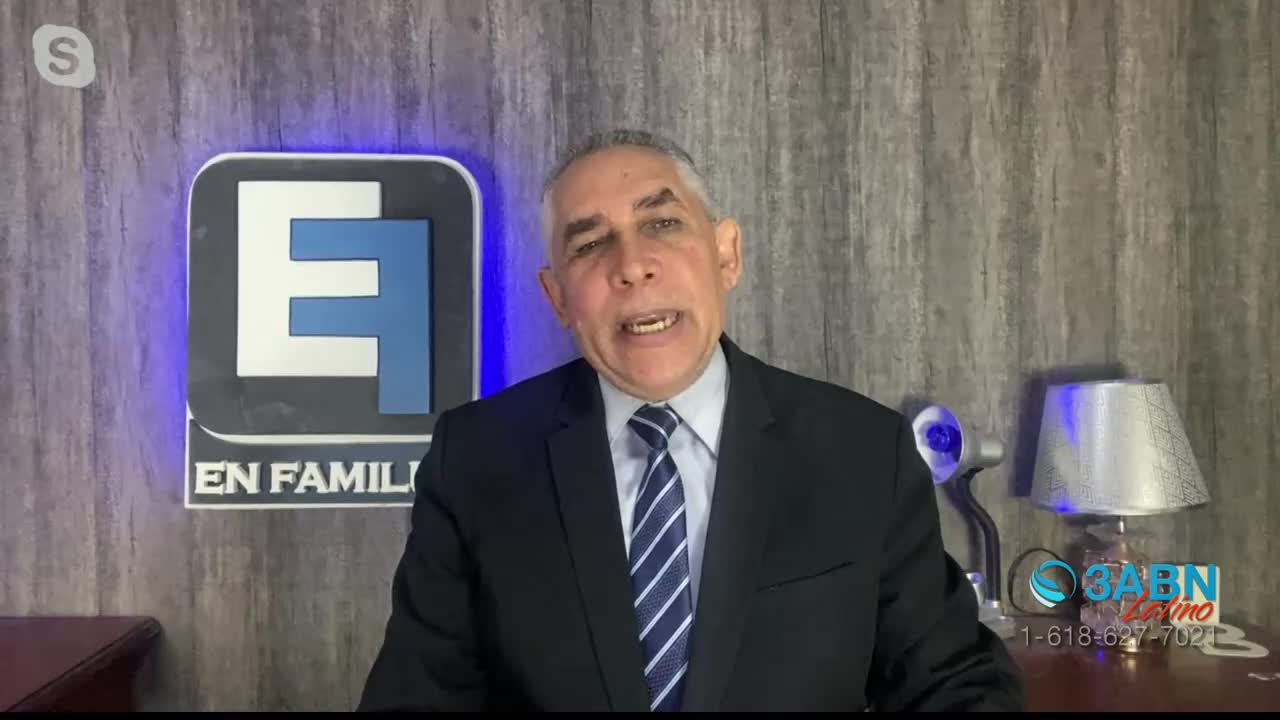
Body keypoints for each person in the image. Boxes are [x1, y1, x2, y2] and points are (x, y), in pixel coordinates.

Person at [357, 129, 1025, 712]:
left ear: (726, 253)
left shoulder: (861, 452)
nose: (632, 265)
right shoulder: (476, 459)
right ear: (557, 297)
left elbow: (957, 686)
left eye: (662, 224)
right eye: (590, 243)